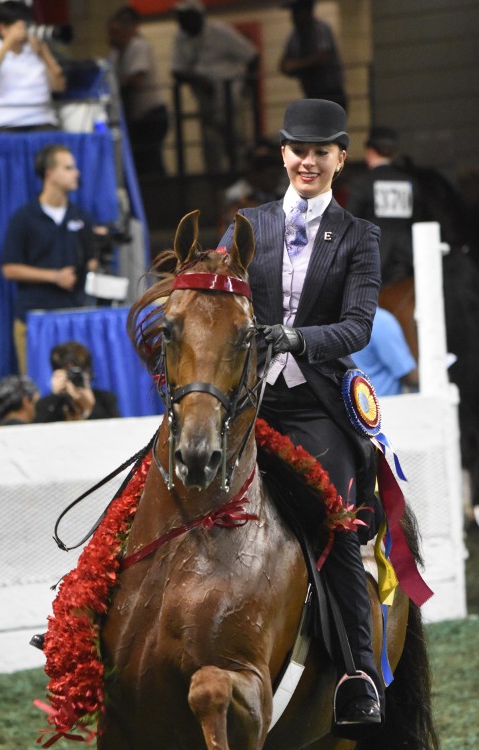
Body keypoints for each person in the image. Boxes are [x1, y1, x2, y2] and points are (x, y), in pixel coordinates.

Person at [219, 99, 383, 737]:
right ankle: (93, 624)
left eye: (322, 151)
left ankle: (357, 674)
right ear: (283, 154)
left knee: (334, 523)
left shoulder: (360, 237)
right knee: (162, 477)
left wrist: (295, 340)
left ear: (340, 158)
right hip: (245, 401)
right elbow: (217, 287)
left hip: (314, 405)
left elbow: (358, 326)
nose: (308, 160)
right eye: (298, 149)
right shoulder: (247, 223)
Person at [1, 144, 101, 374]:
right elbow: (9, 268)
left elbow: (91, 261)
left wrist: (93, 267)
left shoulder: (81, 217)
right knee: (38, 383)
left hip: (74, 316)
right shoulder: (24, 218)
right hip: (35, 319)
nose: (76, 173)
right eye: (68, 167)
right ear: (50, 174)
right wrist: (55, 277)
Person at [170, 0, 259, 173]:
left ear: (197, 16)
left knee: (236, 137)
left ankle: (243, 174)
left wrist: (246, 86)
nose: (180, 22)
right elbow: (177, 70)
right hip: (206, 100)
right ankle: (216, 181)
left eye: (184, 17)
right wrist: (198, 80)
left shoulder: (220, 31)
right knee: (211, 143)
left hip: (230, 96)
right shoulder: (181, 38)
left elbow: (252, 55)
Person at [345, 126, 426, 285]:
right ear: (394, 153)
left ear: (370, 151)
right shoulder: (409, 182)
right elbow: (417, 220)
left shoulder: (362, 182)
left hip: (372, 261)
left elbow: (350, 223)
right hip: (408, 259)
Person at [0, 0, 65, 132]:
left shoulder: (37, 51)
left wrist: (43, 53)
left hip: (41, 120)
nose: (26, 31)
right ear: (2, 28)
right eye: (21, 27)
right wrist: (7, 44)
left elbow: (59, 86)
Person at [107, 6, 169, 176]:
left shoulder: (138, 45)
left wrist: (117, 82)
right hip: (133, 116)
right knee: (140, 162)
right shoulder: (115, 54)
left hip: (151, 113)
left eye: (115, 32)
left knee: (151, 160)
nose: (111, 38)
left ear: (127, 30)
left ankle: (164, 196)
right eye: (110, 33)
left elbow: (136, 79)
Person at [279, 0, 347, 111]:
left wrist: (298, 65)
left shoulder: (321, 28)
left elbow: (322, 56)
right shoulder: (294, 36)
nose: (293, 17)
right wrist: (304, 63)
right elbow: (283, 65)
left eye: (297, 12)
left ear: (307, 11)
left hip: (332, 95)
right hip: (311, 96)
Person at [35, 341, 121, 422]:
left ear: (88, 374)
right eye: (69, 373)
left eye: (77, 373)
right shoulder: (46, 405)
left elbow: (115, 431)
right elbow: (37, 432)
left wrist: (89, 407)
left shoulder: (106, 400)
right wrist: (54, 397)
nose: (74, 378)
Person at [352, 307, 418, 396]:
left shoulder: (343, 321)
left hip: (357, 403)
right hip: (384, 405)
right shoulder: (380, 320)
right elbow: (408, 376)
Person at [221, 137, 287, 226]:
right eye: (262, 164)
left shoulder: (282, 193)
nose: (270, 169)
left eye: (273, 162)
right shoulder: (237, 195)